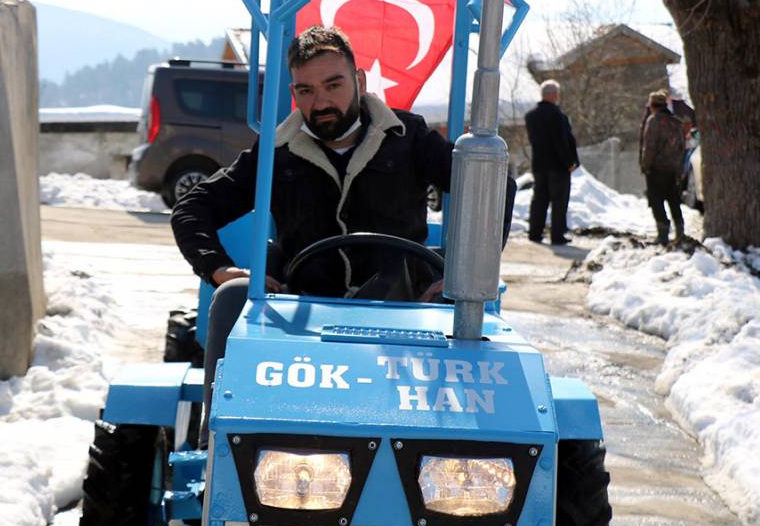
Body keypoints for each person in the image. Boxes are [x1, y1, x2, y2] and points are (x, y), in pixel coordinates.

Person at [171, 25, 513, 444]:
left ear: (360, 81)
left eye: (333, 85)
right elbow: (193, 207)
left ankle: (471, 449)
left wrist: (461, 274)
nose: (321, 102)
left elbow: (492, 188)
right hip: (306, 307)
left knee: (472, 311)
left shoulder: (409, 138)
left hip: (404, 306)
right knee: (230, 298)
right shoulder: (275, 153)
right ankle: (220, 444)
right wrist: (218, 268)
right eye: (306, 91)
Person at [524, 79, 579, 245]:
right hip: (558, 165)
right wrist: (569, 162)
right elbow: (561, 141)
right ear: (554, 95)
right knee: (559, 201)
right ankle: (557, 235)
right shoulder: (557, 115)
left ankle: (535, 232)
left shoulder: (531, 116)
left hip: (539, 164)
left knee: (539, 199)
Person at [640, 90, 686, 245]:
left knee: (656, 200)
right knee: (674, 200)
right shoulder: (677, 122)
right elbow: (682, 147)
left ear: (652, 106)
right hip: (673, 168)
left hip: (657, 168)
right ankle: (680, 231)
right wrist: (679, 169)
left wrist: (645, 166)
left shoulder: (654, 120)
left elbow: (649, 146)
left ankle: (663, 233)